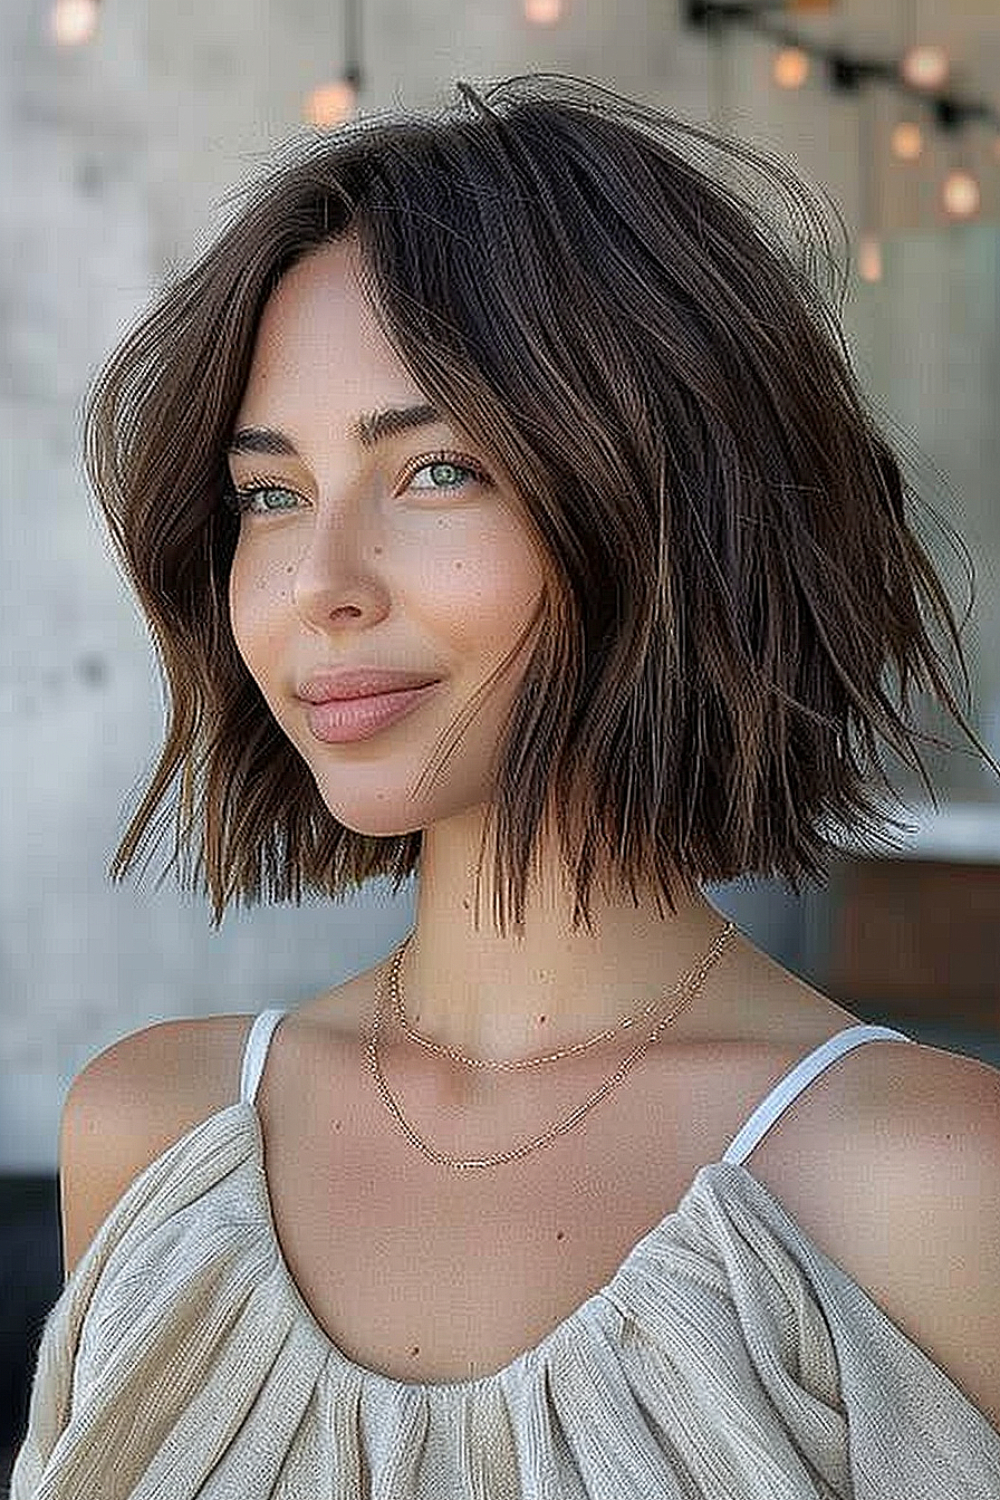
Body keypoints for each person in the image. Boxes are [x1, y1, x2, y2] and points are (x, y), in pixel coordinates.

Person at [11, 72, 1000, 1499]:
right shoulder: (157, 1141)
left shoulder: (925, 1187)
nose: (318, 588)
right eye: (268, 495)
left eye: (438, 471)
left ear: (666, 504)